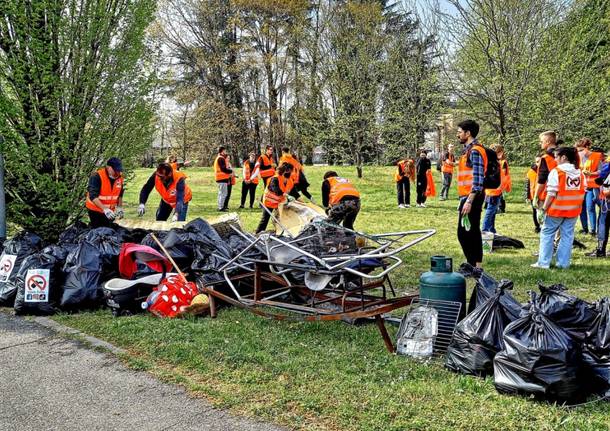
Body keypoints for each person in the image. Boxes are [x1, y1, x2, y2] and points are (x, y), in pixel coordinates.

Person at [532, 147, 585, 269]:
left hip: (556, 210)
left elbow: (551, 193)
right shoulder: (580, 173)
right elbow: (583, 190)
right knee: (567, 236)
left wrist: (544, 209)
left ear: (564, 157)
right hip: (573, 211)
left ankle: (543, 262)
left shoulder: (557, 172)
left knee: (547, 233)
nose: (555, 159)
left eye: (556, 157)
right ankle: (563, 263)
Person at [456, 120, 486, 267]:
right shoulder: (469, 150)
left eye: (460, 132)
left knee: (467, 232)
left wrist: (469, 200)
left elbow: (478, 179)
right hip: (468, 196)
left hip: (472, 196)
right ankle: (474, 264)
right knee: (468, 232)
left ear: (468, 133)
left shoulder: (475, 151)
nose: (458, 135)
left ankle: (474, 265)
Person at [255, 163, 294, 234]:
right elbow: (276, 190)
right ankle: (257, 234)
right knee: (265, 219)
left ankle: (280, 232)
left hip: (278, 203)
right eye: (290, 171)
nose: (291, 173)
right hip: (269, 202)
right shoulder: (275, 178)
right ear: (286, 171)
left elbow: (288, 189)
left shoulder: (284, 179)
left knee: (281, 218)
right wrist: (286, 195)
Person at [85, 157, 125, 228]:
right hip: (95, 210)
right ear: (108, 167)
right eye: (115, 170)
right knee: (99, 230)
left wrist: (119, 207)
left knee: (108, 230)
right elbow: (93, 196)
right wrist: (105, 209)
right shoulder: (97, 176)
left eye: (119, 170)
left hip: (110, 211)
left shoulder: (120, 178)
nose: (117, 173)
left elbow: (120, 194)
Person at [575, 138, 603, 235]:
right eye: (578, 151)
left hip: (592, 186)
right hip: (581, 186)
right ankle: (585, 228)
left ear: (587, 147)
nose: (580, 153)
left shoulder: (596, 156)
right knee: (581, 209)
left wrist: (591, 173)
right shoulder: (578, 158)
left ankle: (593, 230)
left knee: (590, 207)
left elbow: (601, 170)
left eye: (581, 150)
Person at [482, 144, 511, 233]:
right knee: (490, 211)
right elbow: (503, 176)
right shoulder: (499, 163)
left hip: (492, 190)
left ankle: (491, 229)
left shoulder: (491, 162)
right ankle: (485, 230)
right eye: (500, 151)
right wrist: (502, 187)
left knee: (492, 211)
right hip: (495, 190)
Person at [587, 156, 610, 257]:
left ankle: (600, 250)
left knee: (603, 223)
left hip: (607, 200)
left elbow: (600, 179)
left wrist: (606, 192)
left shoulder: (608, 165)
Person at [533, 131, 558, 212]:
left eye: (541, 141)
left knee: (545, 223)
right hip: (563, 195)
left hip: (546, 195)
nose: (540, 143)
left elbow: (542, 180)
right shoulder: (565, 155)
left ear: (548, 142)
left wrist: (536, 196)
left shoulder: (546, 158)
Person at [213, 146, 235, 212]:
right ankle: (221, 207)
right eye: (225, 151)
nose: (225, 152)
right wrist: (230, 171)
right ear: (222, 151)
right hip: (222, 178)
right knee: (224, 193)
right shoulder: (221, 158)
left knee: (221, 193)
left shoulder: (218, 158)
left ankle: (220, 206)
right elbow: (223, 169)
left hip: (219, 178)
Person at [525, 156, 542, 233]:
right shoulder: (531, 172)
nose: (538, 163)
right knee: (534, 211)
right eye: (537, 161)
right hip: (533, 195)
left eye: (540, 161)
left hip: (542, 195)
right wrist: (527, 196)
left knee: (542, 211)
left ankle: (543, 226)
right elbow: (527, 185)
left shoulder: (545, 171)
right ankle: (537, 226)